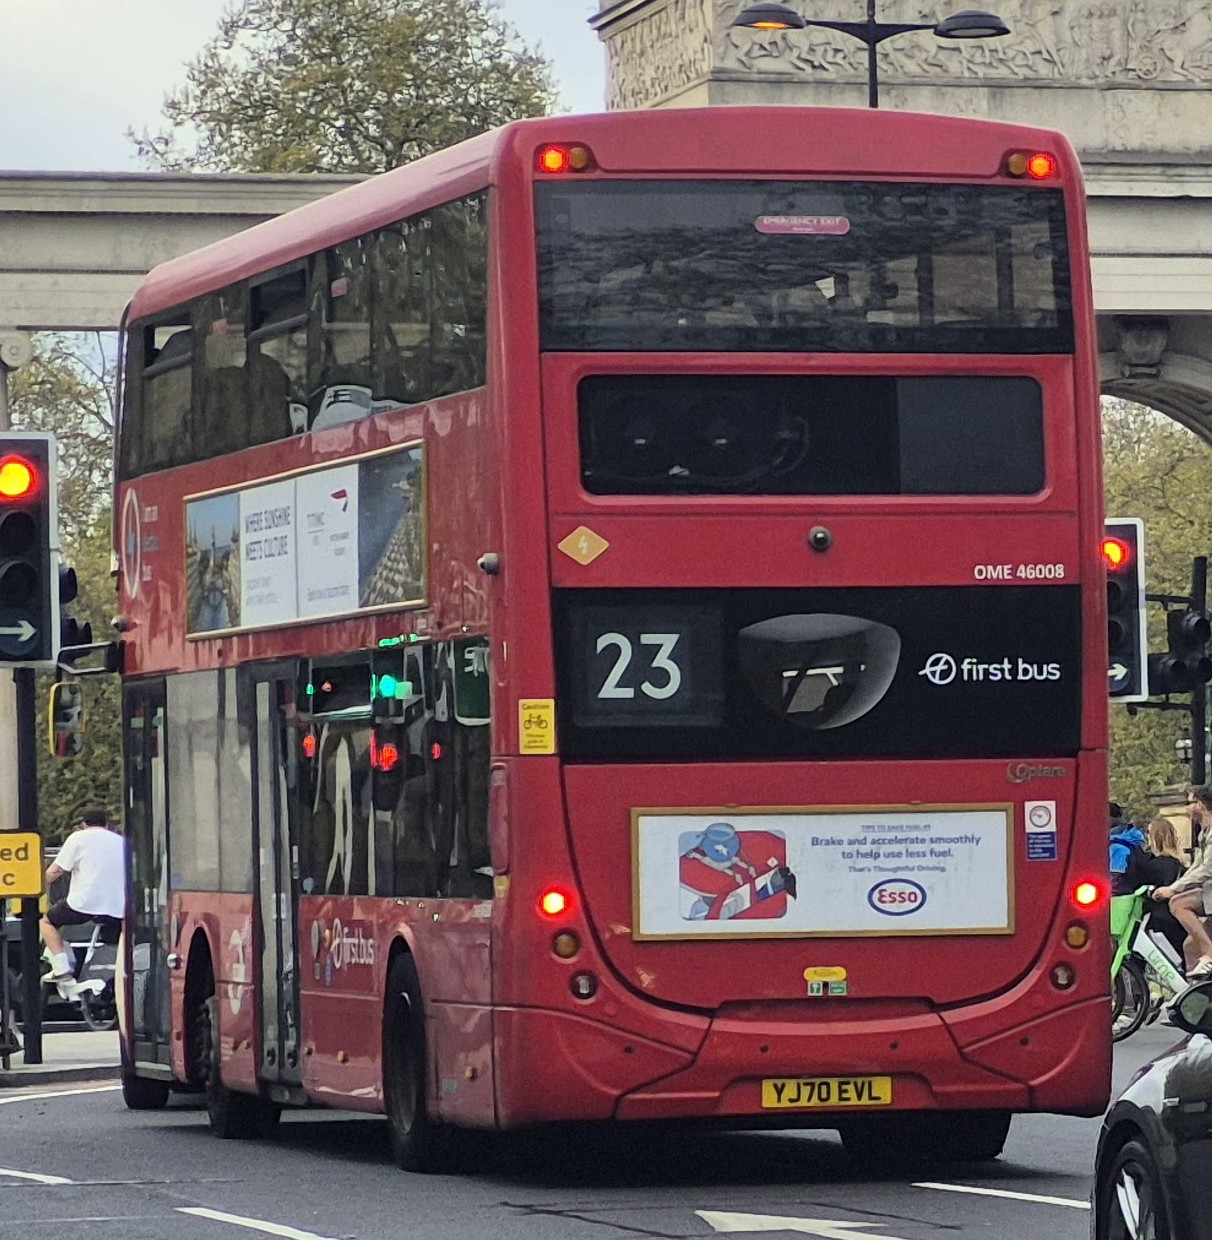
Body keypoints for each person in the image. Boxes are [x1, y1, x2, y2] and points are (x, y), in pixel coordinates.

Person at [40, 809, 124, 993]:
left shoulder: (78, 838)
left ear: (84, 824)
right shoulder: (120, 841)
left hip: (84, 903)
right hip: (118, 906)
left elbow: (56, 871)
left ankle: (62, 968)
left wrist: (36, 885)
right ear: (106, 824)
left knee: (46, 921)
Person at [1154, 787, 1212, 977]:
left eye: (1189, 803)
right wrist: (1174, 887)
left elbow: (1206, 869)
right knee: (1190, 946)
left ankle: (1210, 954)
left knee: (1178, 904)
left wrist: (1174, 891)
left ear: (1200, 805)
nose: (1187, 808)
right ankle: (1197, 996)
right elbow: (1196, 867)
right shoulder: (1205, 833)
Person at [1138, 816, 1187, 961]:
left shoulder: (1153, 865)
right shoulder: (1178, 864)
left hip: (1157, 920)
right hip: (1177, 919)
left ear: (1155, 837)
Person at [1109, 803, 1147, 897]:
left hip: (1119, 897)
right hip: (1132, 893)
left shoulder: (1117, 845)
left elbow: (1115, 878)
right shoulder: (1132, 837)